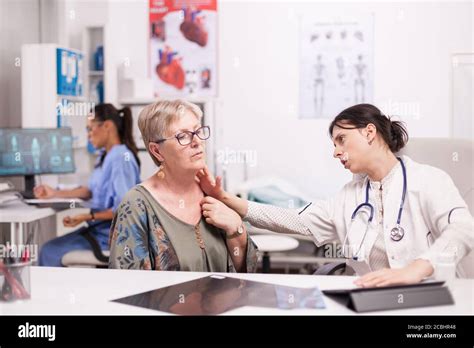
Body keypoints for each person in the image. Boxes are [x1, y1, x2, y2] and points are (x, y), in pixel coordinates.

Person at [197, 104, 474, 287]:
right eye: (333, 144)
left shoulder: (428, 180)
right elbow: (296, 220)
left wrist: (418, 268)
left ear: (369, 133)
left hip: (433, 298)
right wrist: (228, 199)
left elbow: (463, 229)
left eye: (341, 139)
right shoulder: (349, 197)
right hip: (372, 300)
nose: (335, 152)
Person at [108, 99, 257, 272]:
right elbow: (129, 287)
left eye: (198, 131)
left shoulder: (210, 191)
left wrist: (237, 231)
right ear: (157, 150)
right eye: (183, 136)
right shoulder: (136, 205)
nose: (197, 142)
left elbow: (244, 275)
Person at [36, 104, 141, 267]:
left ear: (107, 126)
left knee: (48, 251)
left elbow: (124, 210)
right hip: (97, 230)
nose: (89, 135)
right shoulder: (105, 156)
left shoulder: (121, 158)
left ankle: (51, 293)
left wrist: (86, 217)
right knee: (49, 248)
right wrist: (54, 193)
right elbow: (90, 191)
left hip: (110, 237)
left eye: (90, 129)